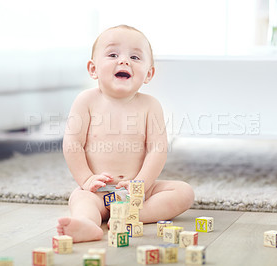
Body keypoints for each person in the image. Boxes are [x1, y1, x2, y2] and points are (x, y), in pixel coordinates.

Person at [57, 25, 195, 243]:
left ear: (148, 74)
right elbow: (72, 144)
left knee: (184, 192)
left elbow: (157, 150)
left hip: (139, 192)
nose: (124, 61)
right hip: (98, 192)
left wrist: (141, 184)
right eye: (113, 54)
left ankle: (134, 216)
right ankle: (87, 224)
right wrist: (86, 179)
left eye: (135, 57)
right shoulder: (87, 101)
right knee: (80, 198)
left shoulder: (151, 106)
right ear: (93, 69)